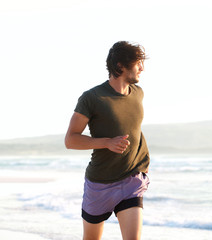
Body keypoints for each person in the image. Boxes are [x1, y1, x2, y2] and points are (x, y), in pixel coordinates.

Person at [65, 41, 150, 240]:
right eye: (138, 63)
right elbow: (70, 140)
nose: (142, 68)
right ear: (121, 66)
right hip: (100, 183)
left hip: (131, 179)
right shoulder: (92, 98)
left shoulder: (138, 93)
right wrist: (107, 143)